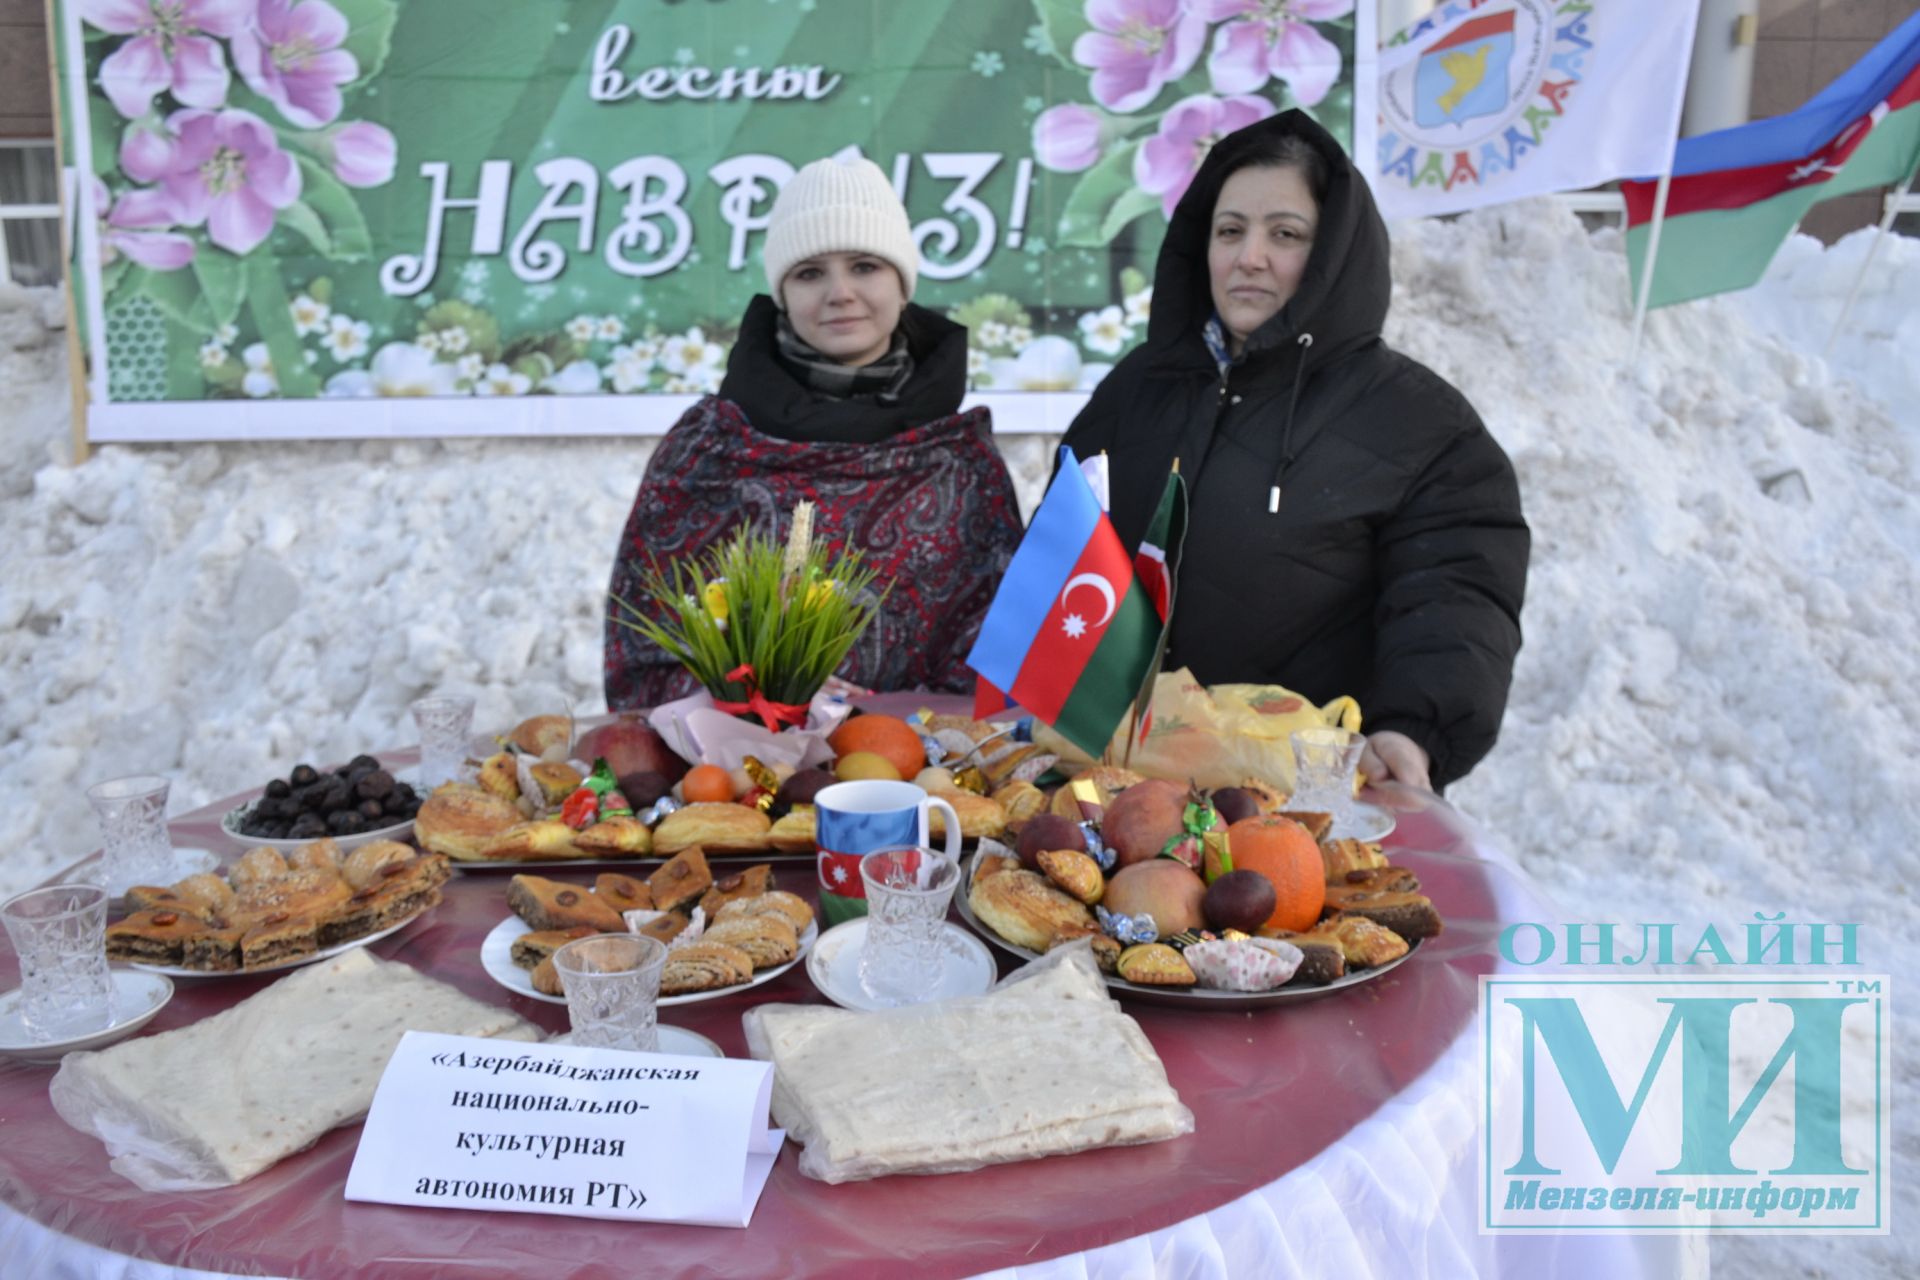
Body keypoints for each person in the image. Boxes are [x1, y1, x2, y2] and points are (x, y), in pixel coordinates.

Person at [1061, 111, 1528, 792]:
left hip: (1302, 801)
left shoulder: (1421, 424)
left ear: (1335, 253)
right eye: (1230, 231)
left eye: (1285, 234)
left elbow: (1454, 591)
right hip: (1121, 785)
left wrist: (1412, 726)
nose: (1250, 256)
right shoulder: (1136, 390)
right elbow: (1064, 558)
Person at [605, 153, 1023, 708]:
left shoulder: (960, 459)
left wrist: (884, 719)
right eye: (809, 273)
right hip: (739, 772)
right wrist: (757, 694)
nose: (840, 292)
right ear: (782, 294)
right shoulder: (707, 448)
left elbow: (1001, 654)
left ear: (903, 284)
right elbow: (646, 648)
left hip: (923, 777)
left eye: (865, 266)